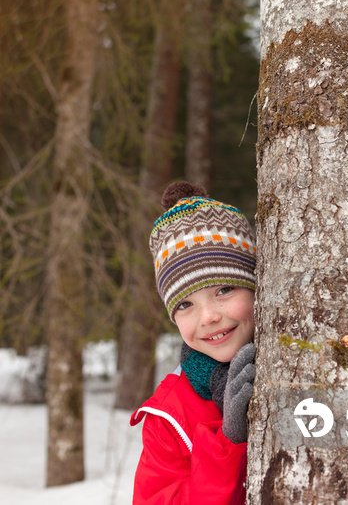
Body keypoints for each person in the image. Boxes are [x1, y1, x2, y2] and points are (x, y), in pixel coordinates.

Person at [131, 181, 257, 505]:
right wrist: (228, 441)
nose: (208, 317)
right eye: (185, 305)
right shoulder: (168, 417)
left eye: (224, 290)